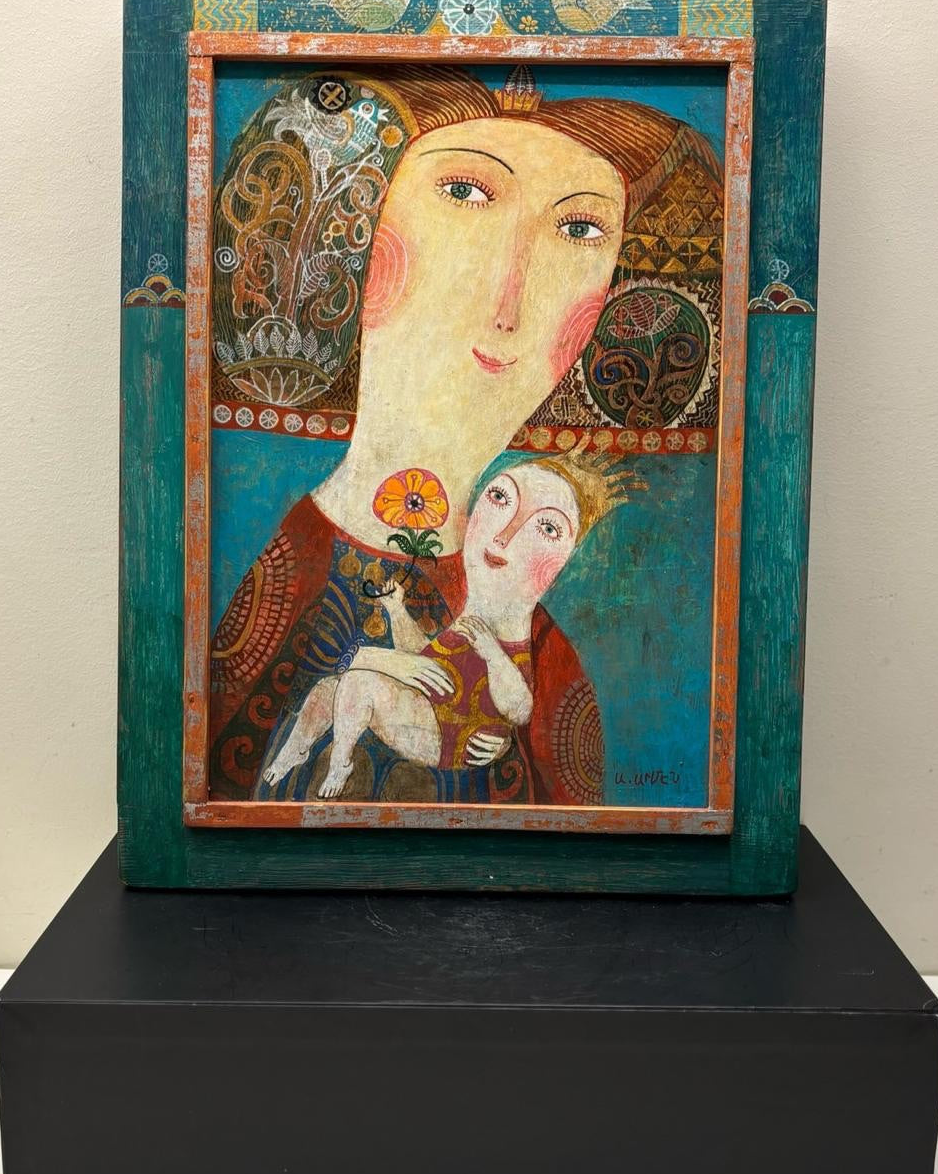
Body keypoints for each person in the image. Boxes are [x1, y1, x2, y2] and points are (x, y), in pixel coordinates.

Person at [207, 64, 721, 804]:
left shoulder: (549, 669)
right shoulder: (266, 580)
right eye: (464, 193)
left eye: (579, 228)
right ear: (354, 229)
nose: (510, 297)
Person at [257, 447, 640, 798]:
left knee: (359, 685)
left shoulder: (517, 639)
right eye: (500, 497)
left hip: (448, 733)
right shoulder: (457, 607)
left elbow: (521, 708)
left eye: (548, 528)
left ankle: (341, 763)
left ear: (567, 560)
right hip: (422, 710)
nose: (503, 536)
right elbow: (425, 661)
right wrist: (397, 611)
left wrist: (493, 669)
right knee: (326, 691)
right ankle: (296, 749)